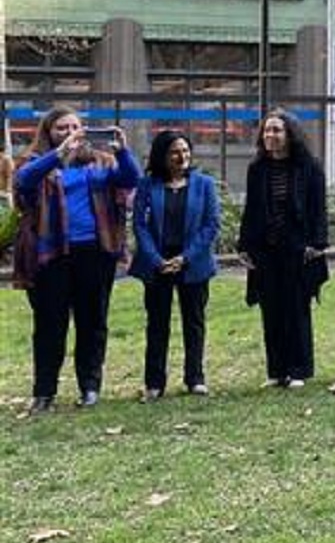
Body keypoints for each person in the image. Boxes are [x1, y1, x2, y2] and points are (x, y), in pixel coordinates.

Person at [11, 108, 139, 412]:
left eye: (74, 127)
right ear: (48, 132)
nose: (69, 133)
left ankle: (90, 387)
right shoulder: (38, 163)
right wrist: (58, 154)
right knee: (49, 324)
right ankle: (44, 392)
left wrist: (123, 151)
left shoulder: (101, 162)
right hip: (51, 254)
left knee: (92, 322)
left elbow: (130, 179)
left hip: (95, 252)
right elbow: (23, 182)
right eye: (61, 128)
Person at [239, 109, 330, 388]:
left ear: (290, 134)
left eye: (277, 130)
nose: (271, 135)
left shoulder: (309, 167)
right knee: (271, 310)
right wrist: (244, 245)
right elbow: (251, 210)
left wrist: (317, 243)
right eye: (267, 130)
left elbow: (318, 208)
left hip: (298, 248)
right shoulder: (257, 169)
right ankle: (276, 371)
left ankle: (299, 369)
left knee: (296, 309)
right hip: (266, 249)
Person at [129, 130, 221, 401]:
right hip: (158, 264)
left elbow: (210, 225)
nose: (182, 157)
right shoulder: (147, 185)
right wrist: (156, 259)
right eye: (175, 152)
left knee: (194, 322)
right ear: (162, 156)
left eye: (186, 151)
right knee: (157, 324)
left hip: (192, 263)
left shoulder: (204, 184)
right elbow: (140, 225)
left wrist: (186, 257)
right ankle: (154, 382)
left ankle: (195, 378)